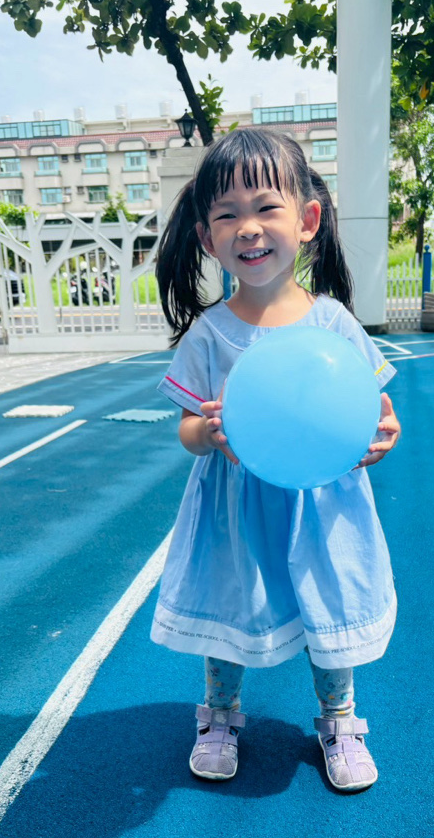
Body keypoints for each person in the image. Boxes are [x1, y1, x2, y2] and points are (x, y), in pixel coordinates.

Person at [151, 127, 400, 792]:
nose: (248, 227)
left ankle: (339, 720)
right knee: (229, 602)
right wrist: (208, 432)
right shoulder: (209, 334)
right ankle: (220, 714)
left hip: (323, 502)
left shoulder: (334, 324)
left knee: (330, 604)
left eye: (266, 207)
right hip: (235, 505)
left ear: (307, 220)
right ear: (207, 238)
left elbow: (372, 410)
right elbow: (186, 430)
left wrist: (385, 434)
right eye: (227, 214)